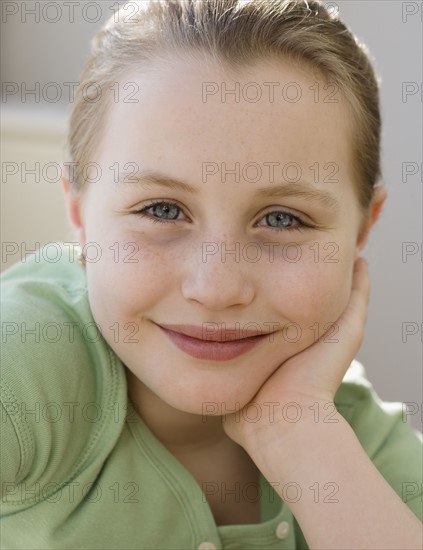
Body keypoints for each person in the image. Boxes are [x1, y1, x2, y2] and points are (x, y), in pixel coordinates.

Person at [1, 1, 422, 548]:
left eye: (282, 219)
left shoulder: (348, 433)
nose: (217, 288)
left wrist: (298, 434)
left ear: (362, 230)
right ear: (79, 214)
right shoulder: (28, 361)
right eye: (163, 210)